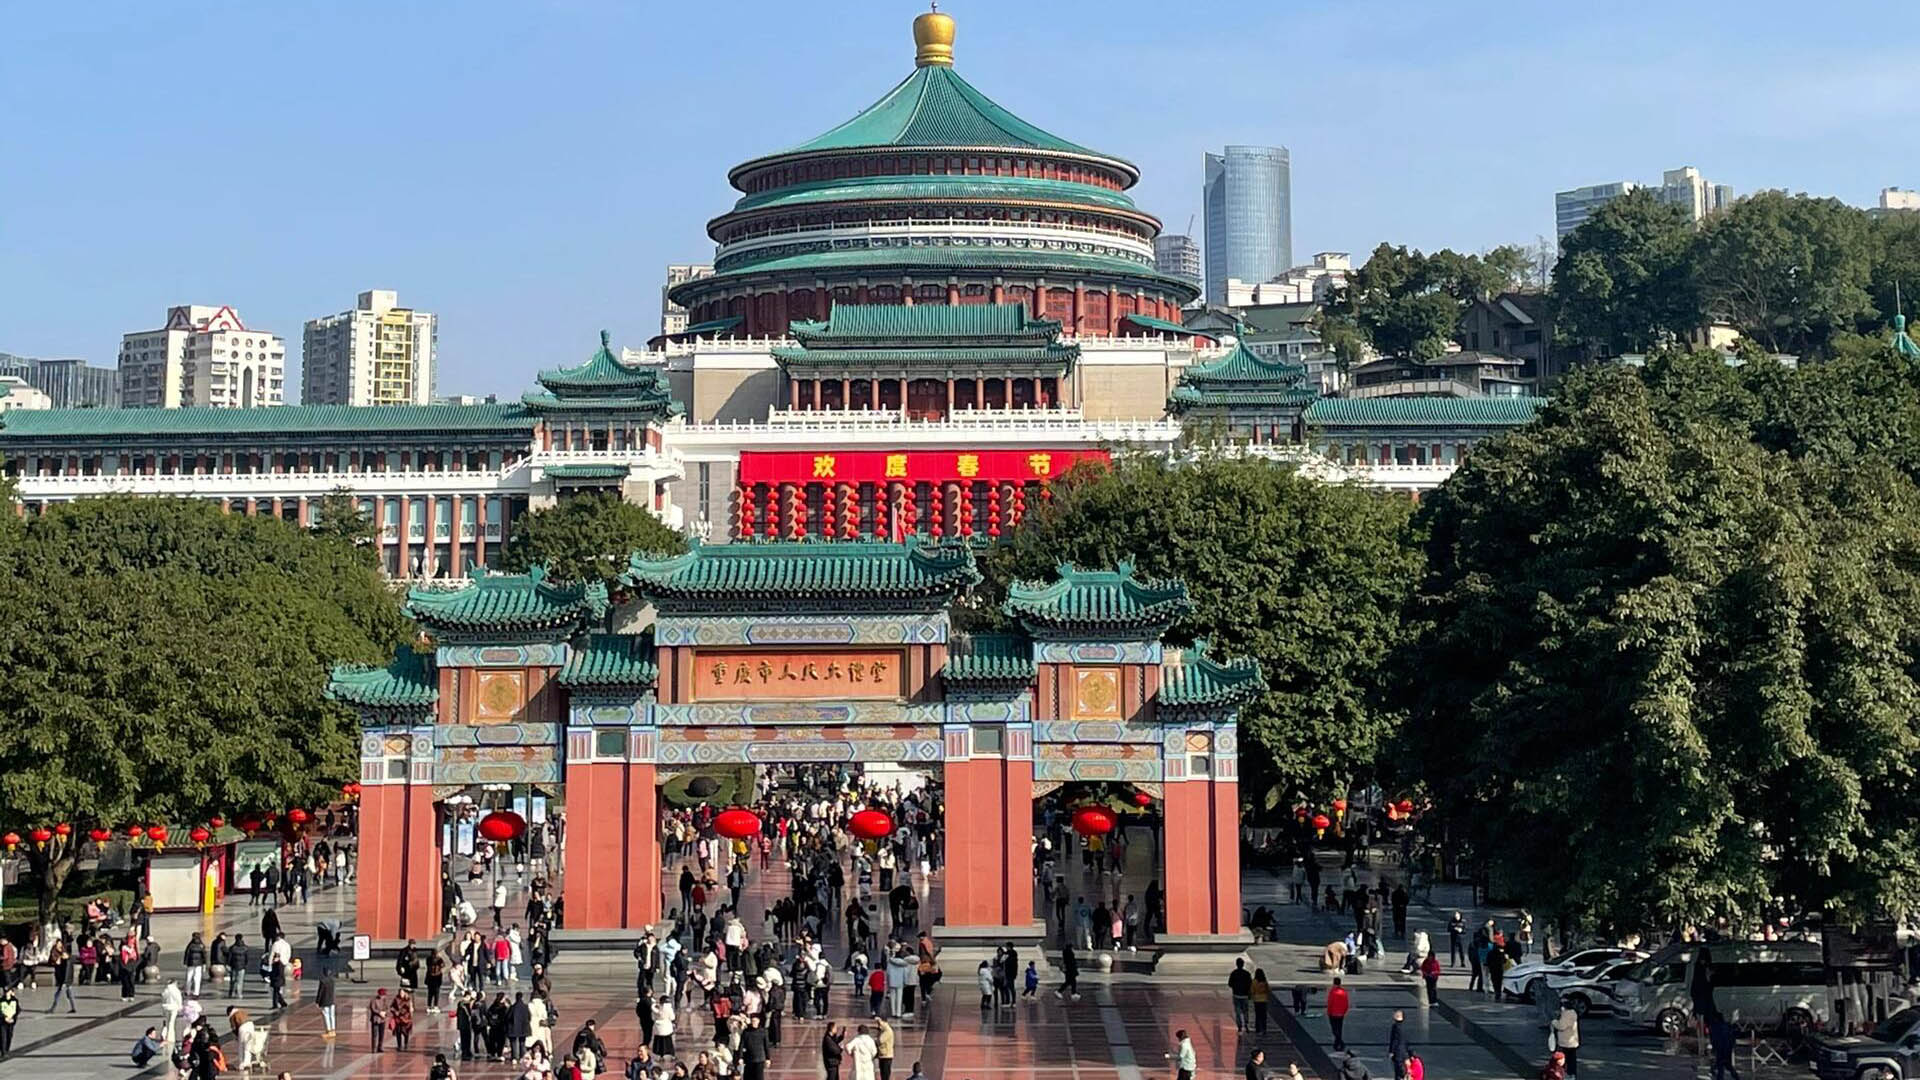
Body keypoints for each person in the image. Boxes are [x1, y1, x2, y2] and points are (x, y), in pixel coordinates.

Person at [1553, 1000, 1581, 1077]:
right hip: (1573, 1042)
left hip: (1566, 1042)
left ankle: (1566, 1074)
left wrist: (1554, 1022)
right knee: (1572, 1059)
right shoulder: (1573, 1013)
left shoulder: (1566, 1014)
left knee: (1564, 1060)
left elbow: (1561, 1026)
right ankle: (1572, 1074)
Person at [1708, 1014, 1740, 1080]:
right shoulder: (1727, 1026)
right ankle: (1735, 1077)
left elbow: (1713, 1039)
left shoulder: (1713, 1027)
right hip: (1727, 1048)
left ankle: (1715, 1072)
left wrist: (1713, 1047)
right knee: (1725, 1064)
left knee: (1721, 1064)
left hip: (1719, 1048)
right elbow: (1732, 1036)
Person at [1228, 957, 1253, 1032]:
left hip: (1236, 995)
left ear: (1236, 964)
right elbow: (1250, 984)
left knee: (1238, 1011)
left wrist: (1235, 987)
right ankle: (1246, 1023)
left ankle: (1239, 1026)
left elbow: (1230, 984)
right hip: (1245, 995)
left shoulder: (1234, 973)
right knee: (1245, 1011)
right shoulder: (1247, 974)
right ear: (1243, 964)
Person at [1327, 977, 1351, 1051]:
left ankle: (1340, 1042)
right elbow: (1346, 1003)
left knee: (1334, 1029)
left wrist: (1329, 1012)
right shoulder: (1344, 992)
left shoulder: (1333, 992)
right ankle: (1337, 1044)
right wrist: (1344, 1011)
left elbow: (1330, 1003)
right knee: (1339, 1029)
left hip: (1333, 1013)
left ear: (1334, 983)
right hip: (1341, 1013)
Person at [183, 932, 208, 997]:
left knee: (189, 977)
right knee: (197, 978)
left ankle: (187, 991)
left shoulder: (190, 945)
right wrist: (204, 963)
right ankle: (196, 992)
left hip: (191, 963)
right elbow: (204, 955)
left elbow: (187, 954)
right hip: (199, 964)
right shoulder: (201, 945)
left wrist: (185, 962)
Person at [316, 964, 338, 1038]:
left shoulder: (323, 981)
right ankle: (333, 1030)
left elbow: (320, 992)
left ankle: (328, 1030)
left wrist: (317, 1001)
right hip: (332, 1000)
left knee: (326, 1015)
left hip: (325, 1000)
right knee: (332, 1015)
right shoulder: (332, 980)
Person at [1388, 1010, 1411, 1080]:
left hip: (1397, 1052)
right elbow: (1406, 1040)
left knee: (1398, 1070)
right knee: (1401, 1068)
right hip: (1404, 1052)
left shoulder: (1395, 1027)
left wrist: (1391, 1051)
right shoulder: (1405, 1027)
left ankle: (1403, 1076)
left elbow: (1394, 1040)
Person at [162, 978, 184, 1046]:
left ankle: (167, 1036)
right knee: (172, 1022)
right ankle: (171, 1037)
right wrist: (180, 1006)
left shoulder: (166, 990)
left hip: (166, 1007)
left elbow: (163, 998)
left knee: (168, 1022)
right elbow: (178, 999)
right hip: (173, 1007)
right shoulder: (176, 991)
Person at [1251, 968, 1272, 1034]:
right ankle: (1264, 1028)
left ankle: (1258, 1029)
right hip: (1264, 1000)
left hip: (1256, 1000)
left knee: (1257, 1015)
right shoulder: (1264, 981)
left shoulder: (1254, 981)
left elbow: (1252, 991)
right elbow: (1268, 990)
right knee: (1264, 1015)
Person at [0, 987, 17, 1059]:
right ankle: (3, 1052)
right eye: (6, 992)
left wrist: (13, 1018)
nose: (7, 993)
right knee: (3, 1037)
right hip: (2, 1022)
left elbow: (17, 1010)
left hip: (11, 1022)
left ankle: (6, 1050)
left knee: (9, 1036)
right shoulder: (1, 1000)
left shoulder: (15, 1001)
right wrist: (4, 1017)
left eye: (8, 991)